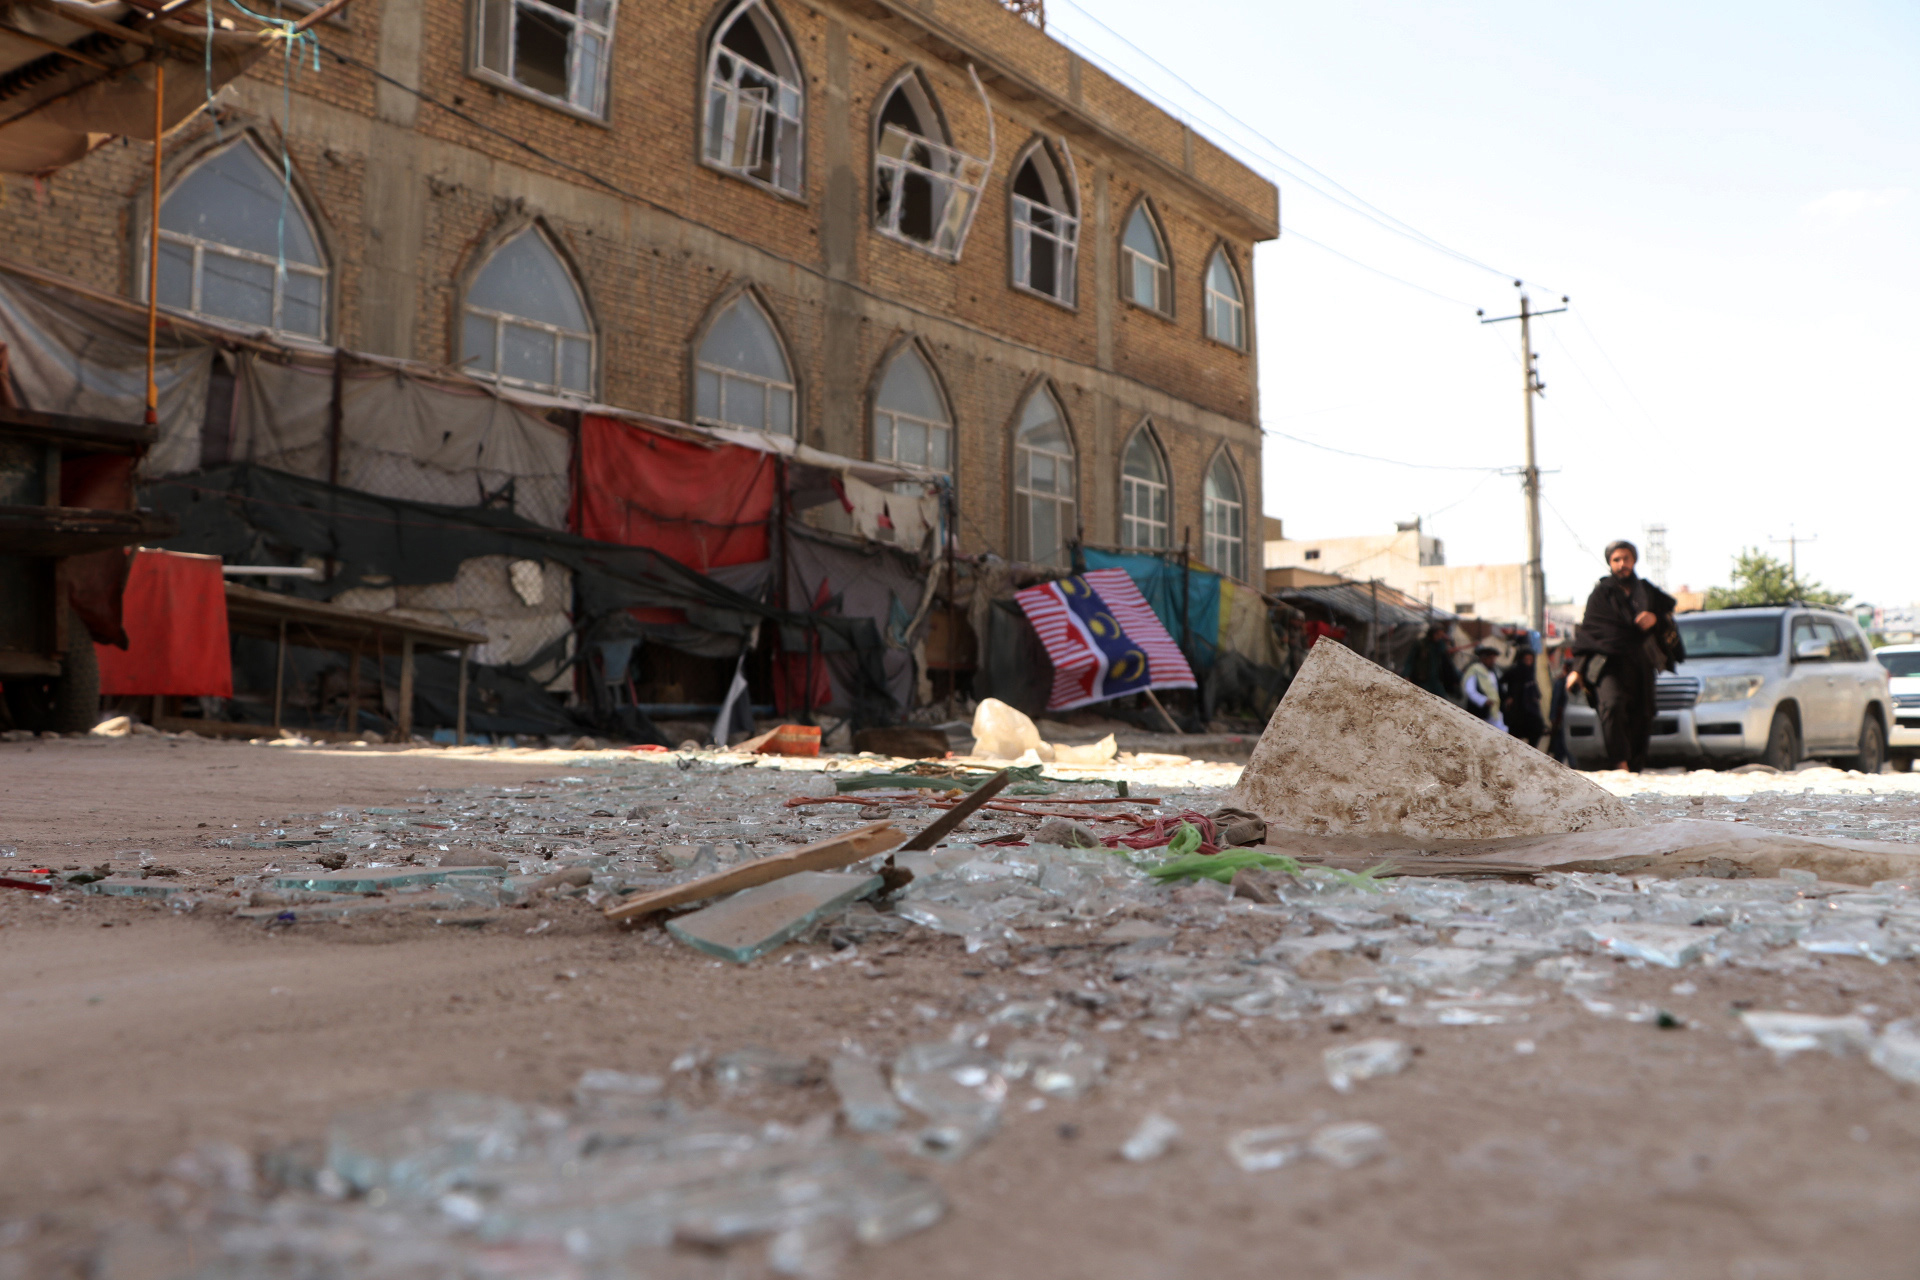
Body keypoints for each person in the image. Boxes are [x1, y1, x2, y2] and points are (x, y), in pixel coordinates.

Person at [1568, 540, 1683, 772]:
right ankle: (1620, 764)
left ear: (1634, 560)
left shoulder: (1647, 591)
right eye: (1616, 560)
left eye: (1626, 559)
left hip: (1641, 662)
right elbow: (1590, 633)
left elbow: (1666, 618)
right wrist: (1576, 669)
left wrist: (1655, 619)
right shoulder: (1601, 594)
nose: (1622, 564)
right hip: (1608, 663)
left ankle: (1635, 765)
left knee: (1644, 714)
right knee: (1612, 706)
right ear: (1610, 563)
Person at [1402, 621, 1462, 703]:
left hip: (1436, 680)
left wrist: (1443, 641)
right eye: (1437, 634)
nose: (1439, 637)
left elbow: (1445, 656)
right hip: (1422, 680)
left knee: (1443, 701)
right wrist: (1406, 675)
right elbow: (1410, 661)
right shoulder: (1421, 644)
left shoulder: (1439, 645)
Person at [1502, 640, 1546, 746]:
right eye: (1526, 659)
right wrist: (1508, 697)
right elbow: (1501, 684)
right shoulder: (1513, 671)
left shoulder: (1531, 674)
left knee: (1536, 732)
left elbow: (1535, 692)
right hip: (1516, 711)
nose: (1528, 662)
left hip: (1530, 711)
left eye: (1530, 660)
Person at [1461, 642, 1505, 730]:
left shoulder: (1493, 672)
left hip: (1494, 710)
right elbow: (1470, 690)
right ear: (1483, 659)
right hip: (1479, 711)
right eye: (1490, 658)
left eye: (1494, 658)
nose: (1493, 661)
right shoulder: (1475, 670)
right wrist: (1484, 700)